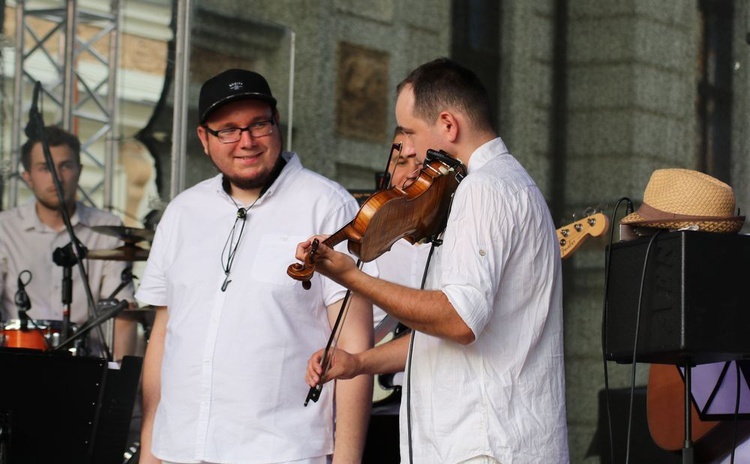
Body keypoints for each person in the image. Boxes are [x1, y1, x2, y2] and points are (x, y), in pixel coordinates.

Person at [300, 58, 570, 463]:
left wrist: (352, 277)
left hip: (483, 447)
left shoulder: (484, 189)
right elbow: (448, 336)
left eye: (410, 132)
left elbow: (458, 320)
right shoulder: (505, 183)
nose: (405, 148)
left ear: (448, 124)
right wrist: (359, 362)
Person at [135, 68, 373, 464]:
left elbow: (354, 347)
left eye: (257, 124)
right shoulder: (182, 213)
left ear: (276, 123)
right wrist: (150, 450)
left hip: (281, 453)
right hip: (179, 449)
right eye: (227, 129)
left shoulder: (327, 206)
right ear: (204, 140)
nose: (245, 141)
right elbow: (164, 337)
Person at [0, 125, 137, 359]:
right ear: (27, 177)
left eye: (65, 166)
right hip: (17, 360)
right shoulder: (5, 227)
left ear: (79, 170)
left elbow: (123, 310)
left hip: (85, 364)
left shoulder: (106, 228)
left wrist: (118, 382)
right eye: (45, 168)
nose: (57, 177)